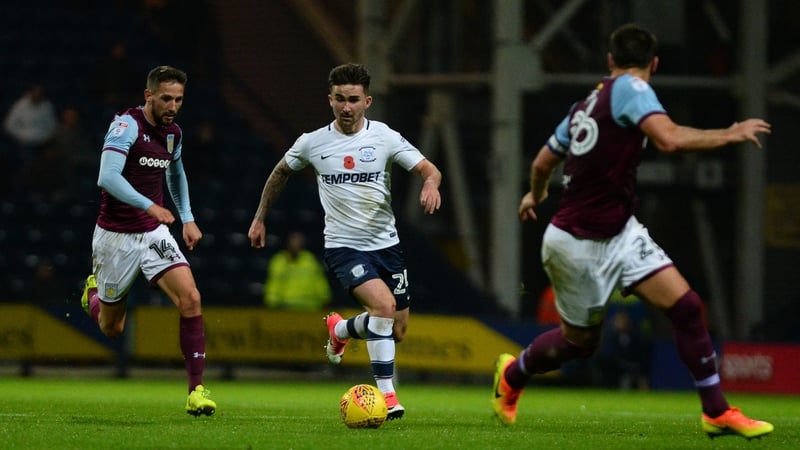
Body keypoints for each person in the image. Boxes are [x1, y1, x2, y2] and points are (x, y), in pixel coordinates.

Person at [492, 23, 773, 439]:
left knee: (688, 307)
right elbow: (671, 140)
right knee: (580, 344)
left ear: (609, 60)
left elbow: (541, 164)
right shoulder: (632, 89)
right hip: (577, 244)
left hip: (620, 235)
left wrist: (535, 196)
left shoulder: (586, 103)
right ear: (654, 64)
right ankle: (513, 374)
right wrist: (728, 134)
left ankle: (716, 411)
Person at [248, 63, 442, 420]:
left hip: (387, 245)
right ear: (330, 100)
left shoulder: (384, 137)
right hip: (343, 245)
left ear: (367, 101)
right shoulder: (313, 142)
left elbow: (429, 168)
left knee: (397, 329)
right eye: (339, 99)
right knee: (382, 308)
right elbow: (280, 173)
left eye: (353, 99)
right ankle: (388, 398)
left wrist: (430, 183)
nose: (346, 107)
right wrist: (260, 218)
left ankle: (339, 329)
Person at [80, 65, 216, 416]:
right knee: (113, 328)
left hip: (154, 234)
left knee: (191, 298)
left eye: (179, 99)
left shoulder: (173, 133)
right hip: (115, 236)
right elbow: (106, 177)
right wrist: (149, 206)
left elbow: (176, 172)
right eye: (167, 98)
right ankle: (93, 294)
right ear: (149, 95)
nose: (173, 105)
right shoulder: (127, 125)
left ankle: (196, 390)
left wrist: (186, 217)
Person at [263, 231, 332, 311]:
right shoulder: (279, 261)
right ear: (288, 243)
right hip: (286, 308)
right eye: (293, 241)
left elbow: (319, 281)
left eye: (298, 242)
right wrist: (272, 303)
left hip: (310, 308)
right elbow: (274, 284)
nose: (296, 244)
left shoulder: (309, 260)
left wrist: (325, 298)